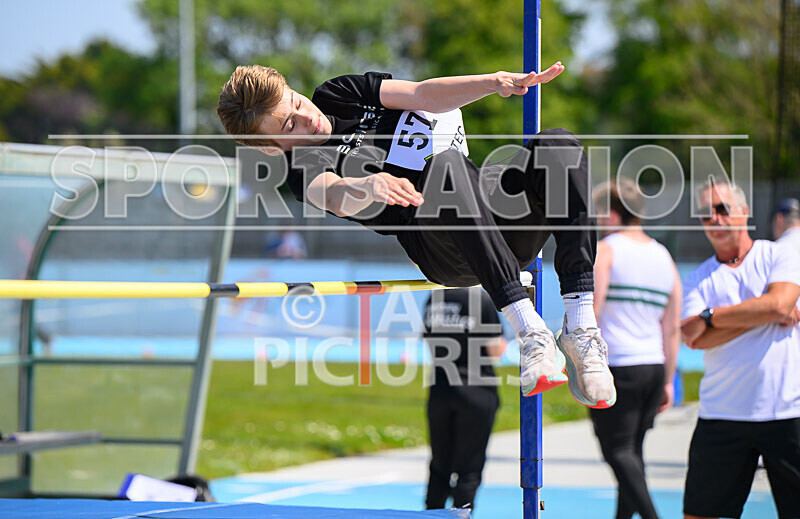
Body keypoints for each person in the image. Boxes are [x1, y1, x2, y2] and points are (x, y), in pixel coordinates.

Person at [216, 64, 616, 407]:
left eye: (297, 103)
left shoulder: (339, 93)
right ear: (271, 149)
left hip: (495, 214)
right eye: (290, 125)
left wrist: (493, 82)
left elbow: (423, 94)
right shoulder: (302, 168)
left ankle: (581, 327)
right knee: (444, 167)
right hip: (443, 246)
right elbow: (334, 195)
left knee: (557, 142)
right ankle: (531, 333)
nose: (308, 119)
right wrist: (365, 188)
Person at [680, 182, 800, 519]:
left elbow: (779, 304)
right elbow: (692, 335)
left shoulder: (778, 255)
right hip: (721, 414)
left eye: (722, 209)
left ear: (745, 212)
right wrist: (763, 313)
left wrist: (711, 318)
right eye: (705, 214)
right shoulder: (699, 278)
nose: (714, 219)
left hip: (786, 412)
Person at [590, 179, 681, 519]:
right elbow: (670, 327)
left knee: (618, 451)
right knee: (632, 454)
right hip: (653, 367)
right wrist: (669, 380)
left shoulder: (607, 250)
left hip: (619, 367)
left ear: (613, 215)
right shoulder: (663, 256)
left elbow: (592, 312)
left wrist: (577, 362)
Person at [422, 287, 505, 511]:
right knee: (469, 468)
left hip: (440, 388)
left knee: (439, 465)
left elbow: (431, 344)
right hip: (476, 389)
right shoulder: (481, 298)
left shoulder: (434, 297)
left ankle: (431, 515)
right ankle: (462, 514)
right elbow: (494, 349)